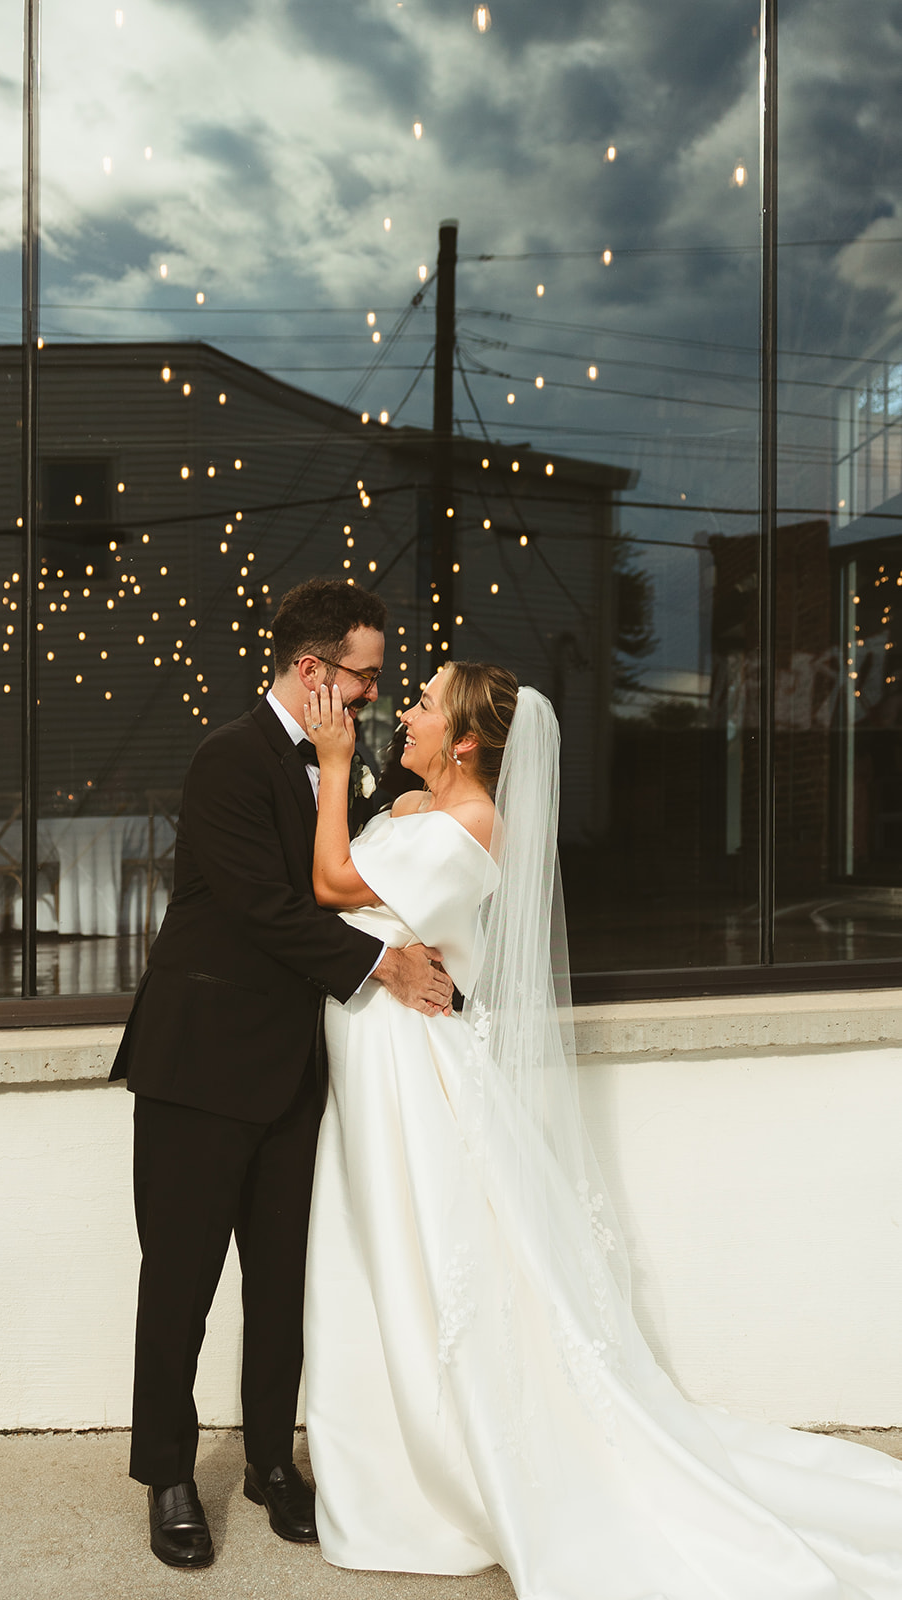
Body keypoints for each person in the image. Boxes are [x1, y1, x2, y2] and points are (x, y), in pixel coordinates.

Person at [301, 661, 902, 1600]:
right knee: (379, 1255)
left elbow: (335, 883)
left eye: (421, 702)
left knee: (420, 1252)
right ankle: (382, 1454)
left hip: (407, 1071)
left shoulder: (470, 826)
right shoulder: (418, 809)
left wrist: (334, 762)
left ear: (466, 740)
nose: (403, 712)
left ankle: (443, 1470)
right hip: (374, 1062)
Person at [110, 578, 452, 1571]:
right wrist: (380, 963)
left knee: (282, 1279)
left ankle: (270, 1464)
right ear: (313, 672)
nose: (374, 694)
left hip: (296, 1070)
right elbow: (267, 907)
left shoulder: (339, 761)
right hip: (200, 1061)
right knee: (180, 1281)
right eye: (364, 677)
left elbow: (355, 877)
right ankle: (167, 1473)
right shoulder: (226, 759)